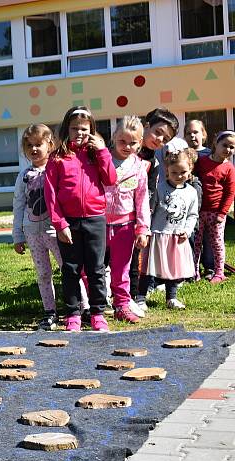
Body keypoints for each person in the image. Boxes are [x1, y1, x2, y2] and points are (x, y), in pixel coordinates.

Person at [44, 106, 117, 332]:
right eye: (75, 128)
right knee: (71, 269)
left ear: (92, 131)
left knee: (96, 269)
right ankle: (73, 313)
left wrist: (103, 151)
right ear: (67, 129)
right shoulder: (57, 158)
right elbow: (50, 193)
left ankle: (97, 313)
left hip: (95, 219)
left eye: (84, 129)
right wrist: (60, 223)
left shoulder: (97, 155)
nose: (79, 133)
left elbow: (111, 179)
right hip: (69, 223)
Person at [12, 124, 87, 330]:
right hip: (32, 233)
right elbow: (18, 204)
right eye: (29, 146)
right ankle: (50, 312)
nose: (34, 149)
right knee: (43, 273)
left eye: (38, 144)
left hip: (55, 231)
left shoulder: (56, 169)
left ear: (50, 145)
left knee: (69, 269)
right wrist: (17, 235)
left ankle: (83, 306)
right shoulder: (24, 175)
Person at [136, 148, 199, 308]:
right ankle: (141, 298)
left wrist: (187, 230)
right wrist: (146, 230)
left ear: (190, 168)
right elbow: (150, 210)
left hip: (177, 237)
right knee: (148, 268)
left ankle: (171, 298)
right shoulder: (160, 188)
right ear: (167, 170)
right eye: (174, 172)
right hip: (157, 235)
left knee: (174, 268)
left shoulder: (192, 192)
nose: (178, 176)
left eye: (183, 172)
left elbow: (193, 215)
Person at [104, 116, 151, 324]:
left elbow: (142, 200)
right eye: (122, 141)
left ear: (140, 143)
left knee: (121, 268)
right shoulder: (102, 160)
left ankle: (121, 305)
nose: (127, 146)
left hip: (125, 226)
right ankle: (93, 306)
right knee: (93, 267)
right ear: (114, 137)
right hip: (98, 224)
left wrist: (143, 229)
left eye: (133, 142)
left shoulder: (140, 167)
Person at [132, 108, 180, 311]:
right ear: (146, 126)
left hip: (136, 218)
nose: (160, 139)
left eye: (165, 138)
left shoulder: (153, 161)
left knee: (134, 258)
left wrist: (145, 219)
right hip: (109, 215)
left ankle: (132, 295)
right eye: (158, 132)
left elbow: (150, 193)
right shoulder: (122, 148)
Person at [193, 130, 235, 284]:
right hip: (198, 211)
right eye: (225, 145)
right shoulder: (202, 162)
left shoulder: (229, 168)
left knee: (216, 243)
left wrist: (222, 213)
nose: (228, 150)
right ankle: (194, 272)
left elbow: (230, 193)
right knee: (196, 243)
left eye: (232, 147)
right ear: (215, 143)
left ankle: (219, 272)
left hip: (216, 213)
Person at [185, 119, 214, 277]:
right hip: (190, 204)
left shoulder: (210, 154)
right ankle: (191, 267)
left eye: (195, 132)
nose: (192, 136)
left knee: (209, 237)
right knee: (193, 235)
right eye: (188, 133)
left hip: (209, 203)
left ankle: (210, 267)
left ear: (204, 134)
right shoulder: (184, 155)